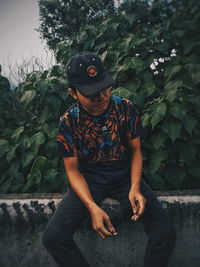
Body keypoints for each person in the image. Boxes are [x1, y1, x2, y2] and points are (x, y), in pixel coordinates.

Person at [43, 52, 176, 267]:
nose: (101, 96)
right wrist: (91, 207)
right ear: (73, 93)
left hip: (124, 176)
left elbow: (135, 152)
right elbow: (73, 170)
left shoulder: (125, 107)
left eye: (103, 88)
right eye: (90, 93)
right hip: (90, 180)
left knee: (165, 235)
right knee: (54, 237)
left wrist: (135, 188)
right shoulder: (68, 122)